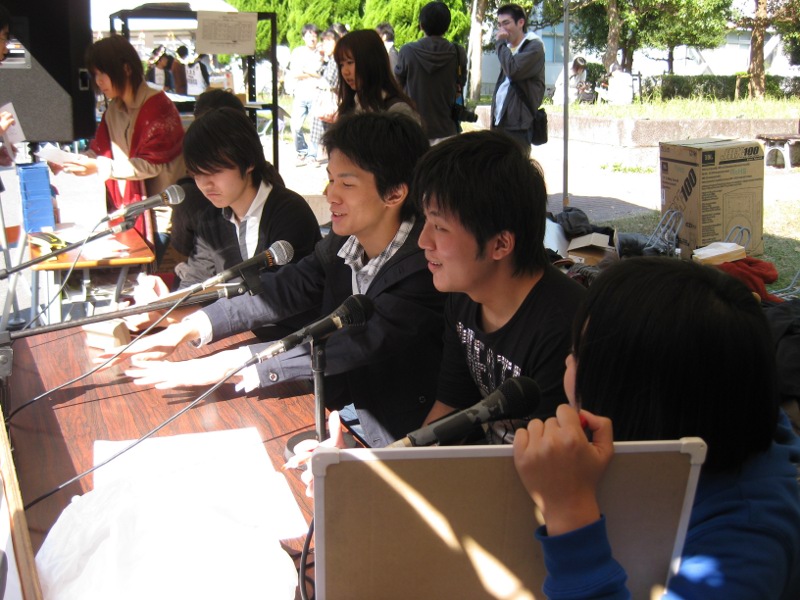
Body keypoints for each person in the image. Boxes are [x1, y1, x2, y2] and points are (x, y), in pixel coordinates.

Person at [105, 112, 445, 448]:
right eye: (330, 180)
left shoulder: (424, 267)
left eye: (347, 184)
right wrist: (189, 327)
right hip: (336, 403)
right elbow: (283, 288)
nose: (331, 194)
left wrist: (235, 363)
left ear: (394, 194)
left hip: (393, 433)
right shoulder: (344, 242)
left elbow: (359, 343)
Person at [513, 257, 800, 599]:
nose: (566, 360)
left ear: (634, 397)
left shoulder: (746, 545)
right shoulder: (711, 419)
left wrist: (569, 515)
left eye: (577, 354)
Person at [414, 129, 586, 443]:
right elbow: (450, 406)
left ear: (500, 244)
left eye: (439, 227)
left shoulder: (563, 327)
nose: (423, 241)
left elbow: (550, 458)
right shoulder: (463, 298)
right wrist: (398, 464)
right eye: (426, 221)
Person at [58, 35, 185, 264]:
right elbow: (99, 151)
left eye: (102, 73)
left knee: (139, 275)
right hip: (127, 212)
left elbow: (151, 165)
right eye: (95, 74)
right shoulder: (114, 110)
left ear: (126, 69)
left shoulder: (158, 106)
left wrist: (98, 166)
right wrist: (71, 161)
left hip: (158, 214)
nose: (98, 81)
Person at [395, 1, 466, 143]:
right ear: (447, 26)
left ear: (421, 25)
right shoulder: (458, 53)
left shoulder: (407, 52)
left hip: (414, 131)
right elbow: (460, 83)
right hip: (447, 131)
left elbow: (397, 86)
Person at [490, 3, 545, 151]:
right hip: (500, 121)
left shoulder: (534, 47)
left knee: (516, 164)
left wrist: (500, 44)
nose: (502, 29)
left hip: (519, 125)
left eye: (506, 23)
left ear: (521, 22)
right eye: (499, 25)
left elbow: (513, 71)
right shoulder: (508, 49)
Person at [334, 29, 419, 124]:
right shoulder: (352, 105)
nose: (345, 71)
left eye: (350, 62)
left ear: (371, 62)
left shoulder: (397, 110)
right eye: (341, 65)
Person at [287, 24, 322, 166]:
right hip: (301, 93)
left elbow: (321, 74)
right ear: (303, 37)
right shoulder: (298, 52)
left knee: (314, 127)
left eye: (314, 35)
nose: (312, 38)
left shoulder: (321, 53)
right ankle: (301, 151)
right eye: (309, 35)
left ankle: (312, 156)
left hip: (316, 93)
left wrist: (305, 71)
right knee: (295, 125)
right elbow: (295, 73)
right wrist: (312, 72)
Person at [307, 28, 340, 167]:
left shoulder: (336, 60)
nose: (325, 45)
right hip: (325, 100)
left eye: (328, 41)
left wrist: (316, 79)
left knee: (331, 133)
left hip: (330, 100)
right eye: (324, 42)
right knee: (325, 132)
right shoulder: (329, 59)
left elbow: (330, 82)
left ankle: (325, 158)